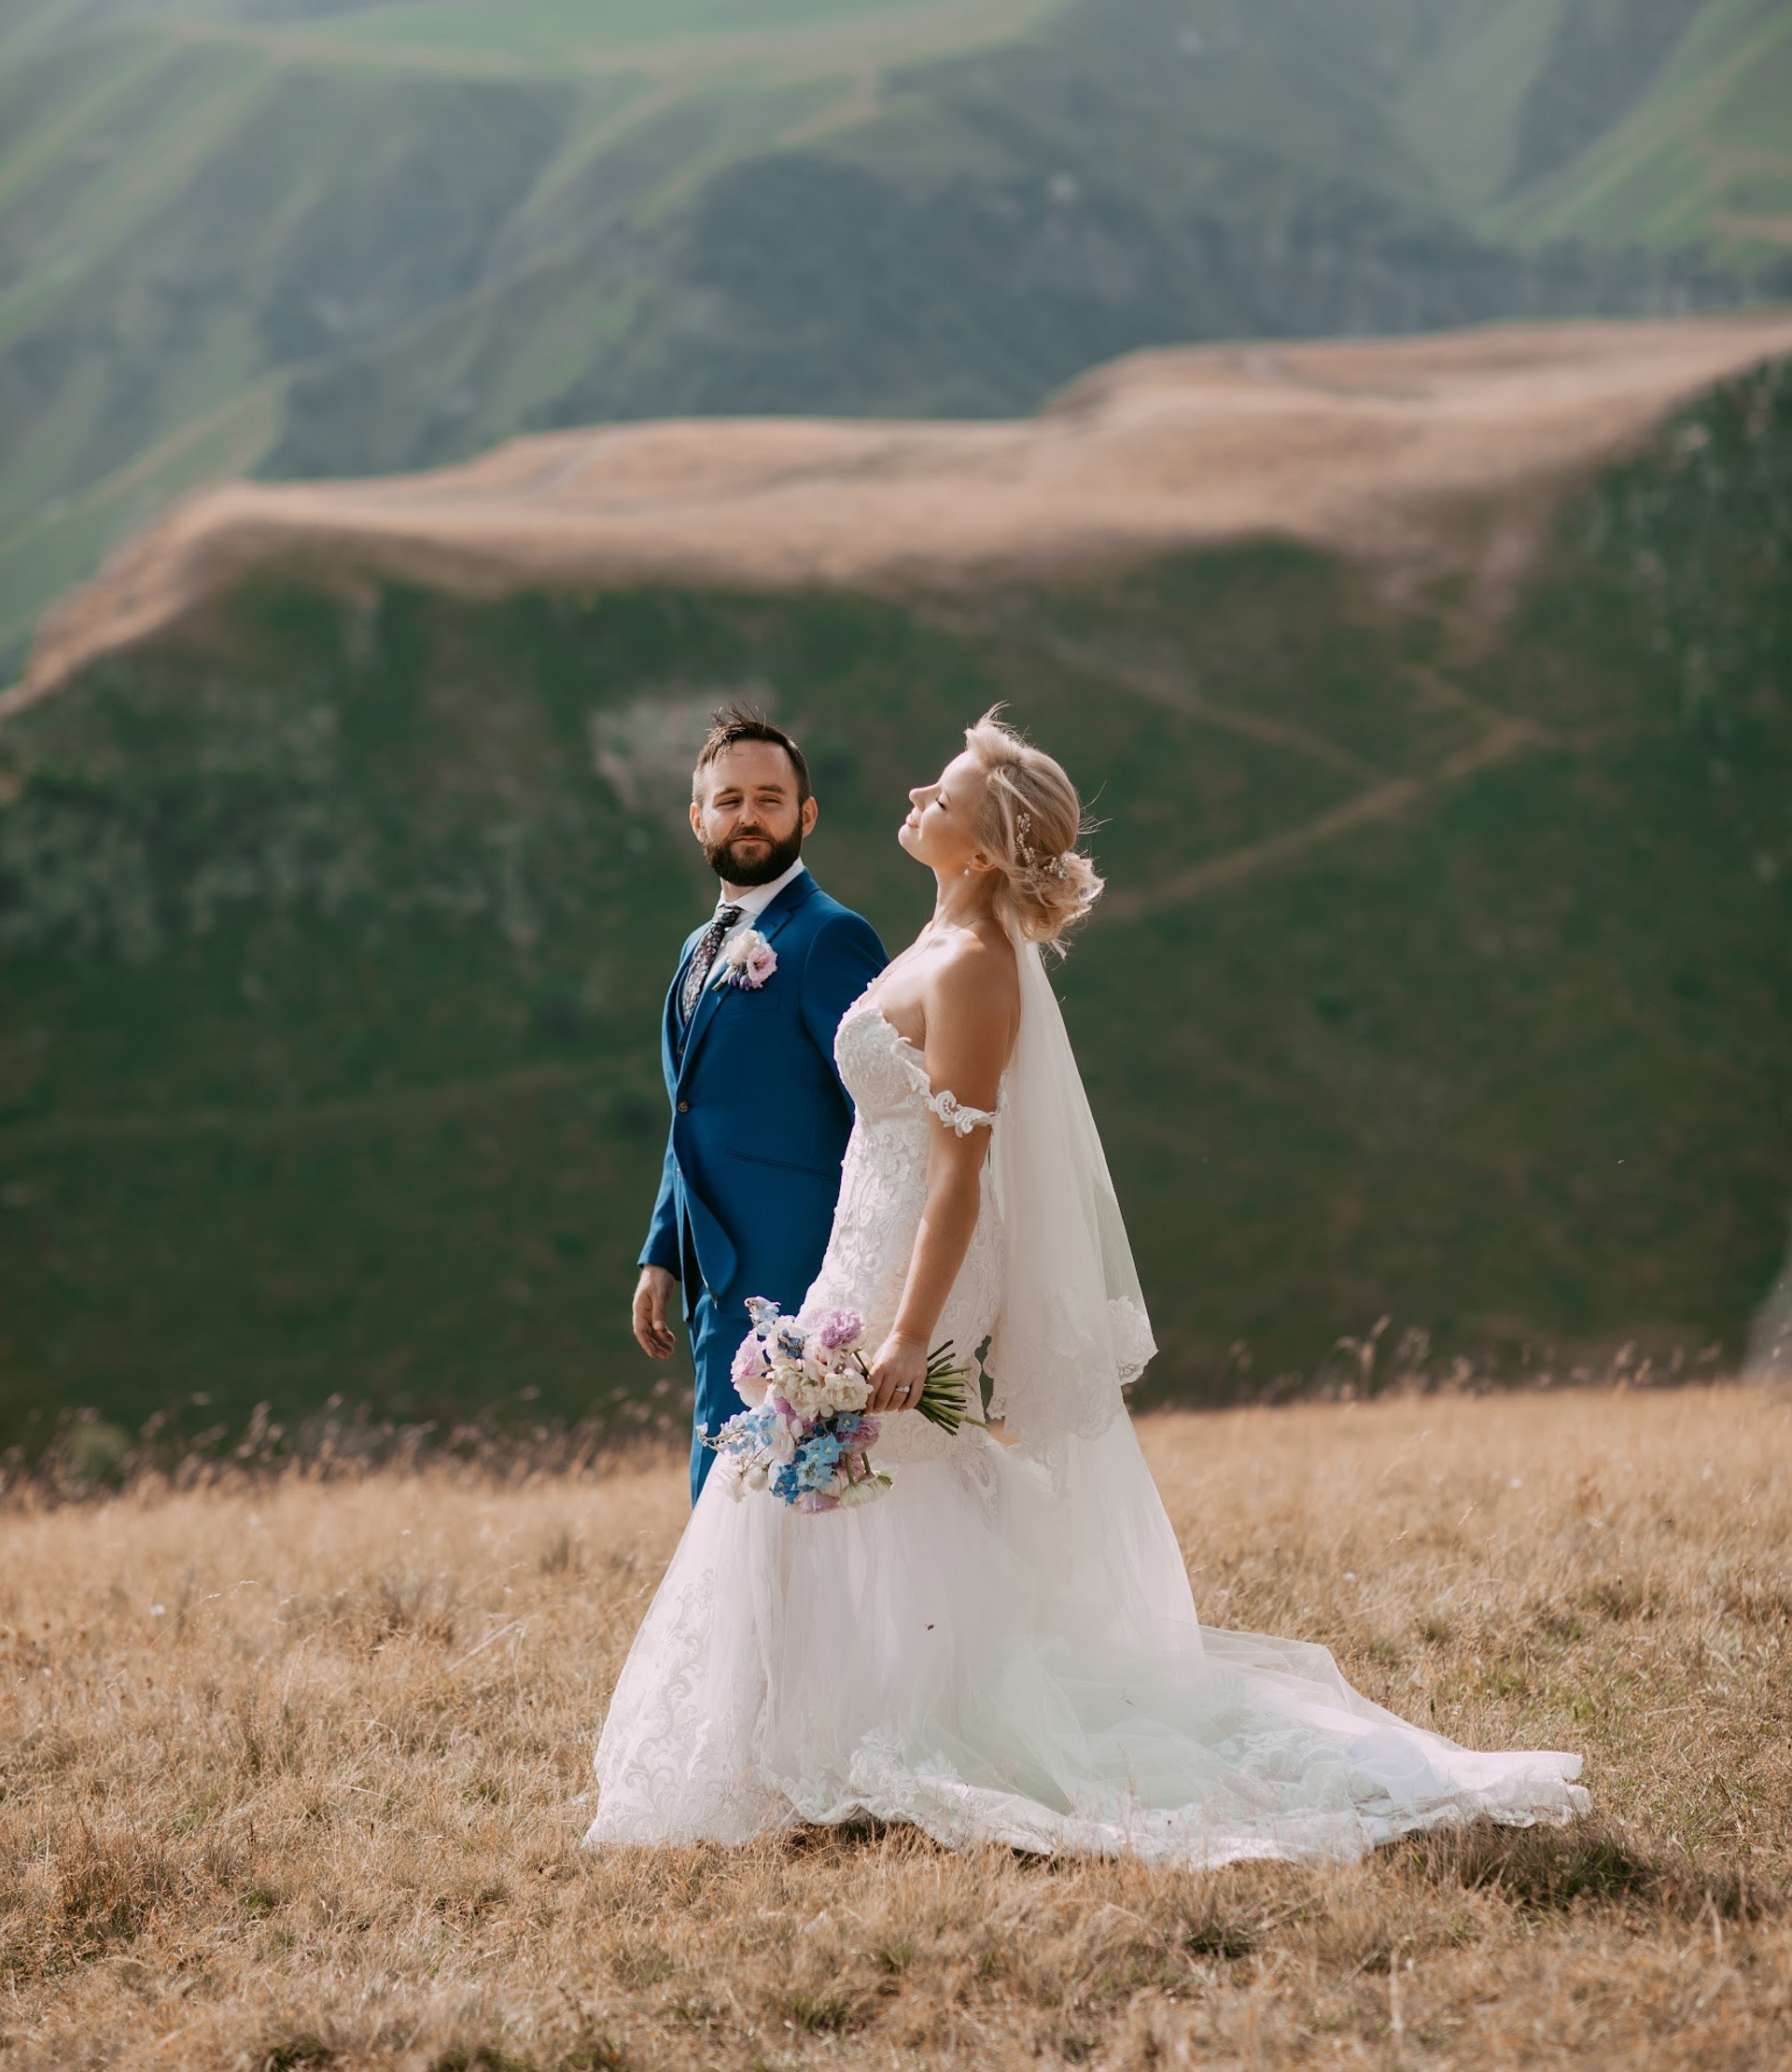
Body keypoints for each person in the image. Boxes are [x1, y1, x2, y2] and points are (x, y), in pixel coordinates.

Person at [592, 710, 1589, 1863]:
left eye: (945, 792)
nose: (917, 790)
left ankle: (871, 1737)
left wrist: (913, 1332)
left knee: (843, 1482)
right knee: (836, 1492)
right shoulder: (928, 941)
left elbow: (963, 1175)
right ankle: (823, 1737)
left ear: (978, 845)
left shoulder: (968, 967)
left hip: (913, 1269)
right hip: (860, 1246)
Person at [635, 704, 885, 1504]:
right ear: (698, 816)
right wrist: (662, 1254)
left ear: (805, 814)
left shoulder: (828, 937)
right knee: (726, 1497)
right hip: (717, 1276)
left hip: (801, 1280)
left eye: (770, 798)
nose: (749, 814)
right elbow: (694, 1113)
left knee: (776, 1502)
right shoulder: (695, 948)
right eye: (731, 798)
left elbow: (880, 1113)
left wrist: (860, 1270)